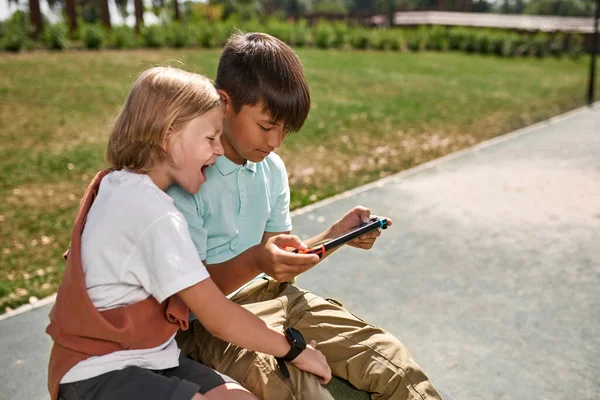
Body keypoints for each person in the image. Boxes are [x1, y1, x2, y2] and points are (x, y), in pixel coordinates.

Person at [167, 33, 443, 400]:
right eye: (267, 126)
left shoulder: (271, 169)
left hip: (281, 297)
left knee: (390, 359)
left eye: (286, 130)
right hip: (210, 324)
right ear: (224, 103)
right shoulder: (189, 176)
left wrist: (335, 234)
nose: (276, 141)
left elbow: (279, 260)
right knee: (292, 387)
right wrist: (257, 259)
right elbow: (194, 297)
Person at [45, 66, 331, 400]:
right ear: (168, 134)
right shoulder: (150, 211)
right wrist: (295, 350)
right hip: (98, 372)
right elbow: (217, 315)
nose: (219, 149)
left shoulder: (119, 183)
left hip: (154, 357)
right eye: (210, 138)